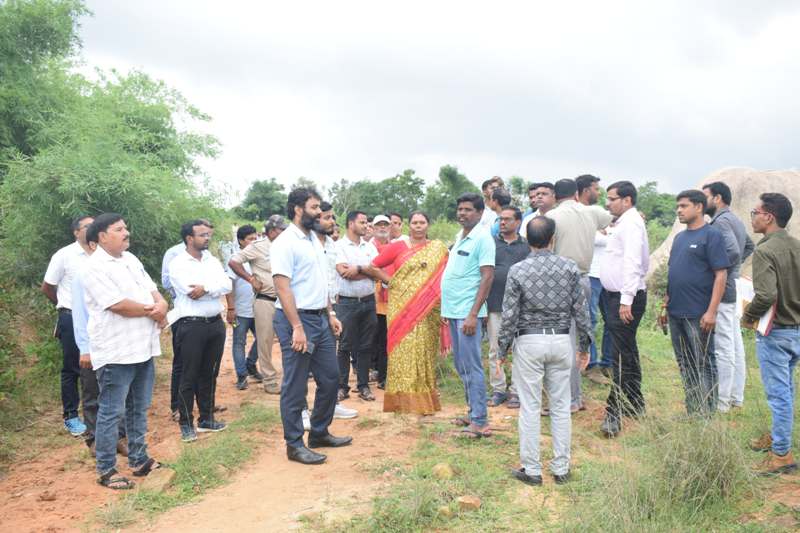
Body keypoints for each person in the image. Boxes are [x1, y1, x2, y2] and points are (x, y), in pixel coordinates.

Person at [499, 216, 591, 486]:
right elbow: (581, 312)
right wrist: (584, 346)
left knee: (530, 406)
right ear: (553, 239)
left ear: (528, 239)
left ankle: (532, 469)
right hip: (562, 340)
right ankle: (561, 468)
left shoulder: (518, 270)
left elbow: (509, 315)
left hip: (529, 342)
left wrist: (502, 349)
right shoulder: (570, 268)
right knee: (561, 406)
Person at [82, 213, 167, 489]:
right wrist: (152, 311)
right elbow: (117, 304)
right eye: (119, 229)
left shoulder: (131, 259)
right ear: (102, 237)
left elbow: (153, 290)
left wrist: (161, 305)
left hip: (143, 348)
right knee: (111, 411)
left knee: (139, 407)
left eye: (126, 227)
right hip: (117, 352)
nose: (126, 232)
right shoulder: (94, 267)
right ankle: (107, 469)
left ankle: (139, 460)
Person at [271, 187, 350, 465]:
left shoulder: (314, 240)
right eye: (315, 207)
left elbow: (320, 282)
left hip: (320, 318)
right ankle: (294, 444)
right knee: (295, 386)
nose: (320, 212)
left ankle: (319, 432)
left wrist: (330, 313)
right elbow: (283, 288)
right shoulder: (284, 243)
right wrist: (297, 327)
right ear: (298, 209)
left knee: (330, 378)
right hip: (297, 319)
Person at [365, 211, 449, 414]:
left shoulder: (437, 249)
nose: (418, 226)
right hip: (402, 308)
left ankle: (424, 401)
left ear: (428, 225)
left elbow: (445, 277)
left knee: (424, 352)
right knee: (403, 351)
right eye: (415, 222)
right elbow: (372, 267)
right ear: (408, 226)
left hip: (428, 310)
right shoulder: (397, 247)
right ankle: (402, 402)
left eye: (422, 222)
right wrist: (392, 282)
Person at [743, 193, 800, 475]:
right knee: (787, 390)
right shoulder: (797, 246)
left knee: (779, 395)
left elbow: (766, 295)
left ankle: (781, 456)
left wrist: (748, 315)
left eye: (755, 212)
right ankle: (778, 440)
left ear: (769, 217)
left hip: (775, 332)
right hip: (796, 330)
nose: (752, 217)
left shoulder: (764, 251)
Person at [658, 190, 729, 416]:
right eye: (677, 206)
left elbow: (721, 274)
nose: (679, 210)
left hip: (698, 313)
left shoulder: (712, 235)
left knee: (703, 362)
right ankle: (693, 409)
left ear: (699, 207)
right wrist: (664, 306)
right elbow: (673, 273)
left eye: (684, 206)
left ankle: (707, 414)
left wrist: (711, 312)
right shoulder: (680, 238)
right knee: (684, 362)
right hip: (675, 312)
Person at [546, 178, 613, 413]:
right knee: (574, 340)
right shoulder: (592, 212)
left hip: (558, 281)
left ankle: (568, 400)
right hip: (583, 279)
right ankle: (574, 398)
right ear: (576, 193)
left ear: (555, 196)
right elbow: (612, 218)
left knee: (558, 341)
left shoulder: (552, 218)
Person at [169, 220, 232, 442]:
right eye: (202, 235)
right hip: (191, 324)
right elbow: (189, 291)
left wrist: (206, 287)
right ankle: (186, 422)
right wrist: (211, 288)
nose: (207, 238)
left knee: (210, 373)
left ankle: (206, 418)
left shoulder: (211, 260)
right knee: (189, 374)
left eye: (208, 234)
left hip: (215, 323)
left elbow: (226, 285)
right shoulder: (178, 263)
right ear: (189, 238)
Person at [598, 181, 650, 437]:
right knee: (627, 350)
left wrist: (626, 299)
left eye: (612, 198)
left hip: (624, 298)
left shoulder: (631, 224)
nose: (607, 203)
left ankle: (614, 411)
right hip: (614, 296)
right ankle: (636, 402)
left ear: (627, 200)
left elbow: (633, 262)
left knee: (620, 354)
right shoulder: (623, 222)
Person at [442, 192, 495, 438]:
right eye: (460, 209)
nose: (462, 213)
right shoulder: (460, 236)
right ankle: (473, 411)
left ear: (480, 213)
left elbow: (487, 276)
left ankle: (480, 421)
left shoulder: (483, 239)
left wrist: (473, 314)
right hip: (453, 311)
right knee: (461, 365)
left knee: (472, 366)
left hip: (467, 313)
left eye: (468, 210)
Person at [71, 231, 127, 457]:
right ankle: (94, 439)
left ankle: (119, 438)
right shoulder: (82, 274)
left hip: (117, 342)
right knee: (93, 393)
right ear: (95, 244)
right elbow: (80, 315)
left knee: (119, 393)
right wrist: (84, 348)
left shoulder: (120, 268)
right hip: (94, 344)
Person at [703, 181, 755, 412]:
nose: (702, 201)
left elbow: (734, 250)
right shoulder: (735, 219)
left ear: (717, 199)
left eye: (705, 197)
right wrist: (733, 271)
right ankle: (736, 397)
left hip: (725, 289)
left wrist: (722, 270)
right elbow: (749, 246)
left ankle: (722, 402)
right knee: (734, 343)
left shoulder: (721, 221)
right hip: (734, 286)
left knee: (723, 345)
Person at [42, 215, 94, 436]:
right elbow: (47, 286)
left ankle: (97, 413)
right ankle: (71, 416)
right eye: (87, 226)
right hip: (72, 317)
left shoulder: (102, 254)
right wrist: (64, 307)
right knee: (73, 367)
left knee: (98, 365)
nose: (92, 229)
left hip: (99, 318)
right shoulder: (65, 255)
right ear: (76, 232)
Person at [227, 215, 288, 394]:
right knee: (265, 340)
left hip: (286, 300)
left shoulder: (287, 247)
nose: (284, 232)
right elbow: (233, 261)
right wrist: (250, 279)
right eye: (281, 229)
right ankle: (269, 380)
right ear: (271, 231)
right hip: (266, 300)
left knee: (288, 340)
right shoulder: (259, 247)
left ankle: (290, 378)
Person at [486, 207, 529, 408]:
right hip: (495, 304)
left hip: (522, 307)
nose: (502, 223)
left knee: (520, 350)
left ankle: (516, 392)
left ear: (518, 222)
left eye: (507, 219)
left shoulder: (527, 247)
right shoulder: (490, 244)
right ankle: (498, 389)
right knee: (496, 349)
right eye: (500, 220)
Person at [335, 211, 380, 401]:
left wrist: (360, 269)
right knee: (345, 346)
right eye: (362, 222)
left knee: (365, 346)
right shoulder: (338, 246)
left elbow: (379, 271)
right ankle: (342, 387)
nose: (366, 226)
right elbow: (344, 272)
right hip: (347, 303)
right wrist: (369, 271)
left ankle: (363, 386)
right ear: (351, 223)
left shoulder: (369, 247)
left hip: (368, 302)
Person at [577, 175, 613, 381]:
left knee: (610, 320)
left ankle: (607, 362)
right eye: (596, 189)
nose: (598, 193)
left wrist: (608, 233)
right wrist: (608, 234)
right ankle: (590, 364)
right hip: (590, 275)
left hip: (607, 275)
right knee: (589, 320)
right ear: (585, 190)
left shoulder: (597, 213)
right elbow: (595, 238)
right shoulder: (579, 213)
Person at [225, 225, 260, 390]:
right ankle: (242, 375)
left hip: (259, 309)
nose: (254, 242)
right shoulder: (235, 260)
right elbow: (229, 286)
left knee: (263, 339)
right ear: (241, 241)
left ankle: (251, 364)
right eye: (250, 239)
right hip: (240, 311)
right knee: (239, 342)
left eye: (256, 238)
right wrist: (231, 308)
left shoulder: (260, 257)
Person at [370, 214, 392, 386]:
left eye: (385, 225)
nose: (382, 228)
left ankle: (384, 376)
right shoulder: (369, 247)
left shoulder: (396, 247)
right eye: (379, 225)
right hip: (372, 299)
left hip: (391, 300)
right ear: (373, 228)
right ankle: (374, 371)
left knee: (386, 339)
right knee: (373, 339)